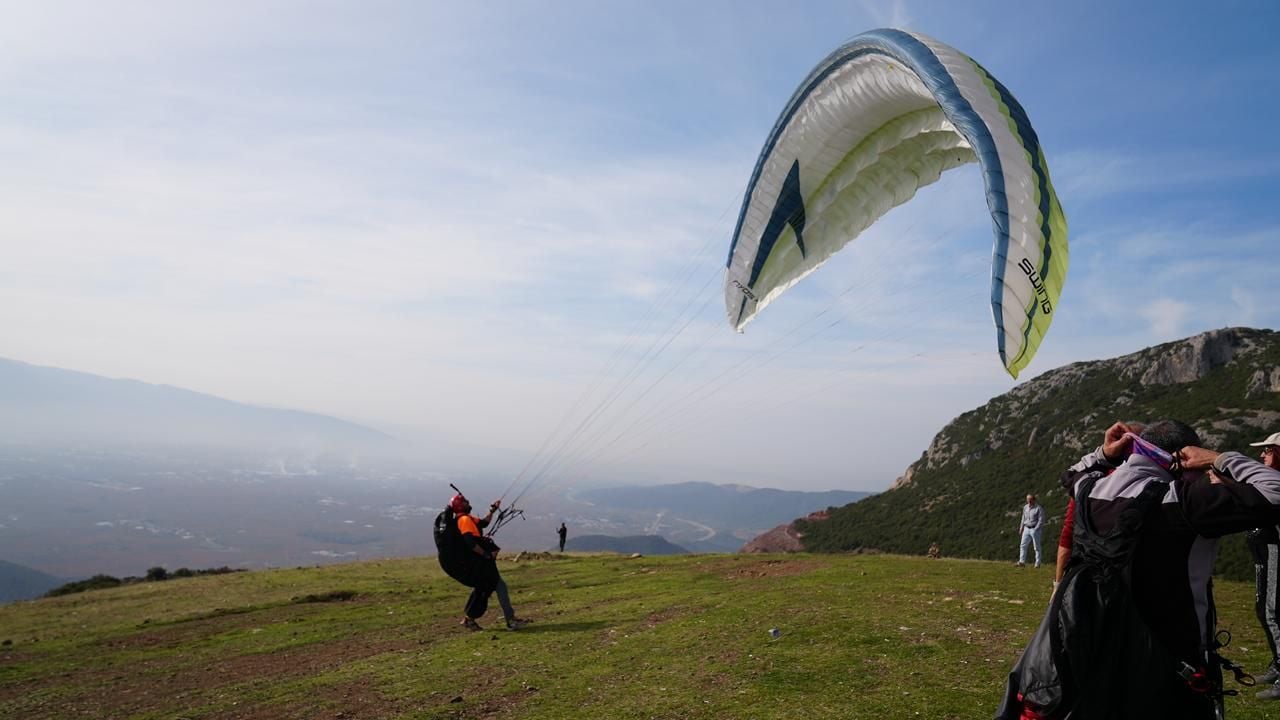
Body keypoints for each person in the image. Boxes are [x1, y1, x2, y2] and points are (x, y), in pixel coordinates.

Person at [997, 420, 1280, 720]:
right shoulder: (1183, 502)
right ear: (1183, 459)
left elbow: (1073, 472)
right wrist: (1218, 458)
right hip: (1168, 670)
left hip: (1093, 656)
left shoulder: (1090, 491)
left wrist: (1105, 453)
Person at [448, 493, 529, 631]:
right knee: (497, 586)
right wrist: (486, 554)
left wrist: (492, 511)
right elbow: (470, 542)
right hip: (480, 561)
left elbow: (484, 523)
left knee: (485, 588)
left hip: (480, 562)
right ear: (461, 506)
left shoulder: (467, 518)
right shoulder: (464, 520)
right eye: (466, 502)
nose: (469, 502)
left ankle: (469, 619)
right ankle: (510, 621)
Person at [1247, 431, 1280, 699]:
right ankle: (1277, 663)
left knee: (1274, 611)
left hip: (1275, 551)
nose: (1262, 455)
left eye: (1268, 450)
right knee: (1265, 610)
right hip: (1266, 553)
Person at [1016, 494, 1046, 568]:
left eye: (1030, 499)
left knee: (1036, 546)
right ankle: (1022, 562)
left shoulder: (1038, 508)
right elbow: (1023, 518)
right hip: (1026, 528)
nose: (1029, 501)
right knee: (1023, 545)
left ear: (1034, 500)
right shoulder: (1025, 507)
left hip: (1034, 529)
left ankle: (1037, 563)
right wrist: (1021, 528)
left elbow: (1041, 520)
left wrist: (1036, 529)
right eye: (1027, 499)